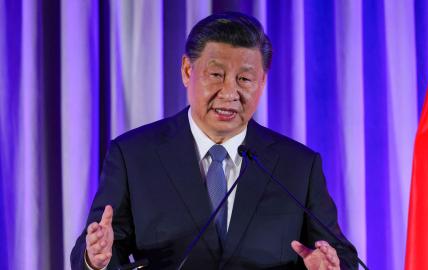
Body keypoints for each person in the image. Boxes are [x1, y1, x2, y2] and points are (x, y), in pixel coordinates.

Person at [71, 11, 358, 270]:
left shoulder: (298, 165)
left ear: (262, 82)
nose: (229, 92)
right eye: (216, 75)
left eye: (244, 79)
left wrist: (332, 267)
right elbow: (94, 253)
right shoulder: (133, 155)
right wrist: (95, 259)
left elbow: (340, 255)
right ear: (187, 71)